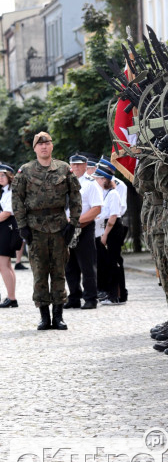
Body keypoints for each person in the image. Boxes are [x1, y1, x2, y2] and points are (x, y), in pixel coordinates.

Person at [11, 132, 82, 330]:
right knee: (40, 273)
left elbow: (75, 196)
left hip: (59, 226)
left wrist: (73, 223)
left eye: (47, 143)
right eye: (39, 144)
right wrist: (22, 225)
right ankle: (44, 316)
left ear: (52, 146)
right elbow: (17, 199)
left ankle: (58, 316)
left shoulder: (64, 169)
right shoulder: (25, 171)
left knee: (59, 271)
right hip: (35, 227)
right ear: (34, 148)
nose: (43, 147)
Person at [64, 154, 103, 310]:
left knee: (87, 265)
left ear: (86, 165)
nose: (76, 168)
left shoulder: (91, 184)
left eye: (79, 165)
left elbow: (96, 209)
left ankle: (90, 298)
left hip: (84, 227)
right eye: (73, 165)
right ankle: (74, 296)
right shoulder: (66, 183)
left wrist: (76, 222)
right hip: (67, 227)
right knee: (69, 265)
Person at [94, 166, 126, 305]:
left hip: (112, 228)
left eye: (98, 178)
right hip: (104, 226)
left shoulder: (113, 194)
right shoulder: (104, 193)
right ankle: (109, 293)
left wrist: (105, 234)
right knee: (106, 262)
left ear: (104, 179)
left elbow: (113, 216)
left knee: (114, 262)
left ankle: (116, 295)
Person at [0, 164, 21, 307]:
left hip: (7, 228)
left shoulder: (12, 192)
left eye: (3, 175)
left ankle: (12, 298)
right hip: (2, 228)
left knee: (3, 265)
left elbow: (7, 213)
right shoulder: (2, 191)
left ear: (9, 177)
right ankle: (11, 297)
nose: (0, 178)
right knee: (6, 264)